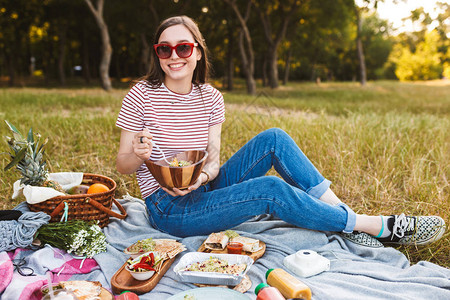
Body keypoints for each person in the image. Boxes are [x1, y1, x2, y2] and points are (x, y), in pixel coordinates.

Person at [116, 15, 445, 247]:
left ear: (197, 51)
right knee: (271, 189)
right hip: (168, 209)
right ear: (157, 53)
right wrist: (139, 154)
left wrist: (200, 179)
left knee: (274, 137)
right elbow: (123, 166)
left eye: (183, 47)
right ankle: (373, 226)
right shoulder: (141, 95)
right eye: (164, 49)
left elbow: (213, 163)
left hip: (202, 188)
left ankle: (343, 220)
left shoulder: (211, 97)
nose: (174, 56)